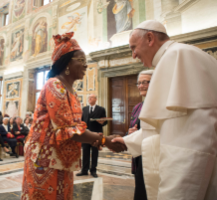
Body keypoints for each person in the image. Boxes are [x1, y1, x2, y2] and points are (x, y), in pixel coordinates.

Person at [112, 20, 217, 199]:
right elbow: (166, 126)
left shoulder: (177, 56)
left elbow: (190, 144)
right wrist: (126, 142)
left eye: (133, 47)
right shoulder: (180, 55)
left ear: (150, 38)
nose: (133, 55)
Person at [21, 32, 126, 199]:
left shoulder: (71, 92)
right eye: (82, 61)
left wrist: (97, 137)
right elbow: (67, 129)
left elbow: (76, 127)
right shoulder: (54, 85)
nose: (86, 66)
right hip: (44, 160)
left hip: (61, 159)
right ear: (67, 63)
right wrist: (104, 140)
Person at [127, 70, 153, 200]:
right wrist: (130, 133)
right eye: (139, 83)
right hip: (139, 155)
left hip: (153, 156)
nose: (141, 86)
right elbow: (133, 127)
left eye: (145, 82)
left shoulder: (159, 104)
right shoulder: (137, 107)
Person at [76, 94, 107, 178]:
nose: (89, 99)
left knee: (95, 153)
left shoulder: (101, 109)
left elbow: (105, 121)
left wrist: (103, 122)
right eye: (88, 97)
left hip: (96, 135)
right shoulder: (84, 109)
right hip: (85, 135)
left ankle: (93, 170)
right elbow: (81, 121)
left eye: (91, 97)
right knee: (85, 152)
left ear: (96, 99)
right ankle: (84, 170)